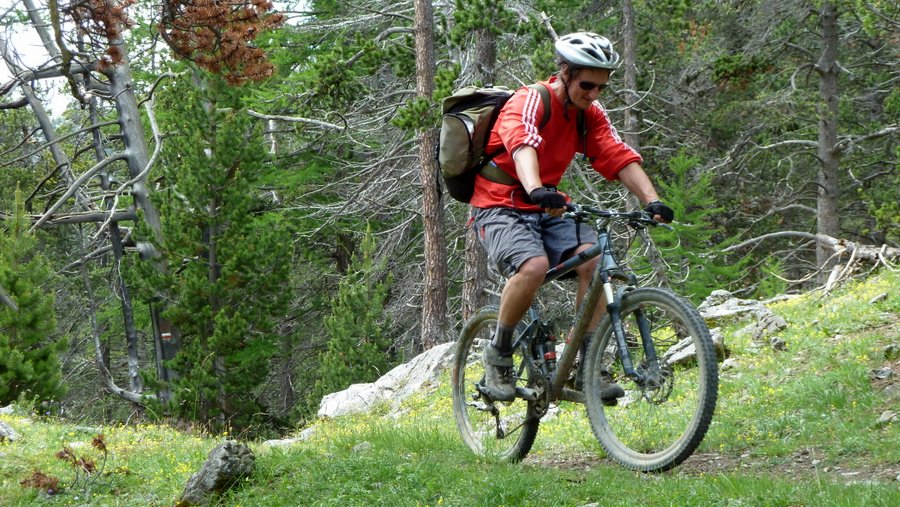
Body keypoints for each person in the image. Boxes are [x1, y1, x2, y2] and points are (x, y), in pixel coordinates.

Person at [470, 32, 675, 401]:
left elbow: (615, 153)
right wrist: (534, 188)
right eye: (587, 85)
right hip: (498, 203)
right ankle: (498, 353)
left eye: (601, 87)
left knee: (596, 261)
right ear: (565, 72)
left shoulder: (588, 115)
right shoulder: (530, 100)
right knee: (532, 267)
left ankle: (588, 365)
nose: (594, 94)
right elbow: (522, 143)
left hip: (546, 203)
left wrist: (652, 200)